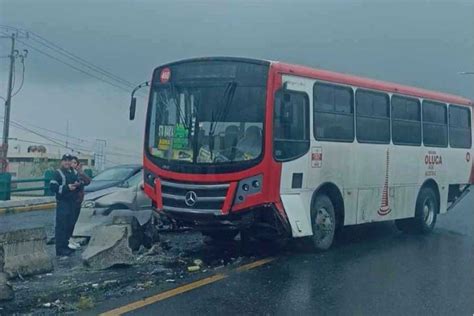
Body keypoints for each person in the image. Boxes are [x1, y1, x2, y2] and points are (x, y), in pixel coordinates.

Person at [49, 154, 81, 256]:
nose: (67, 163)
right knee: (61, 225)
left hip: (72, 202)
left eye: (69, 160)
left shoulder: (74, 172)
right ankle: (60, 249)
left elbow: (81, 184)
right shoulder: (57, 173)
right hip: (63, 202)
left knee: (70, 224)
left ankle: (66, 245)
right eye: (65, 160)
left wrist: (78, 184)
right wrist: (67, 188)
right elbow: (53, 187)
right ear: (62, 162)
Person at [68, 156, 91, 249]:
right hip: (69, 200)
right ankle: (68, 239)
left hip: (78, 200)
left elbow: (88, 181)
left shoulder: (79, 174)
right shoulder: (67, 174)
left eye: (74, 163)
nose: (72, 164)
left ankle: (71, 238)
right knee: (67, 221)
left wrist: (81, 172)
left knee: (74, 221)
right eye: (71, 162)